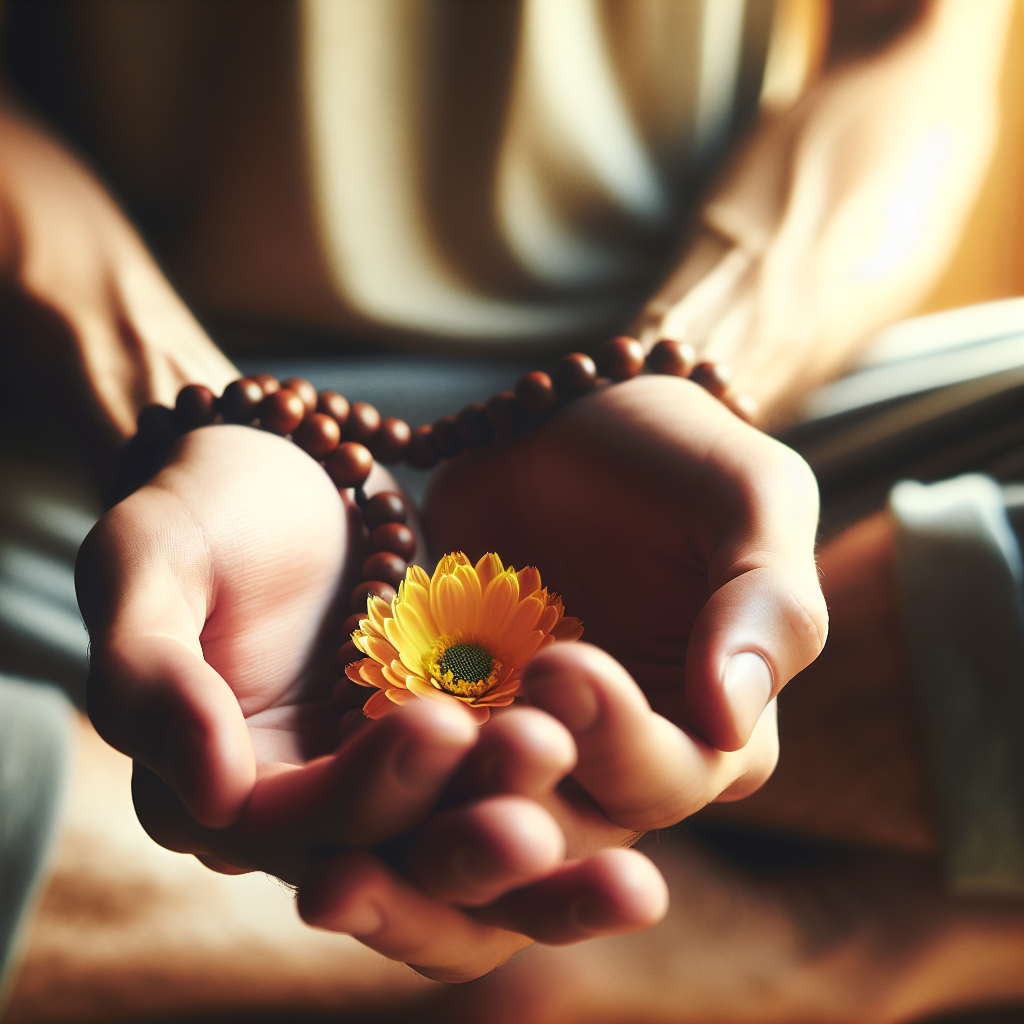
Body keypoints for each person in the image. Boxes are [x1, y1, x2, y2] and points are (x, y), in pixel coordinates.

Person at [0, 0, 1020, 1009]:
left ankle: (179, 896)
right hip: (87, 455)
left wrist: (693, 369)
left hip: (691, 397)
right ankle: (745, 948)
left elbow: (916, 44)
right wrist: (169, 402)